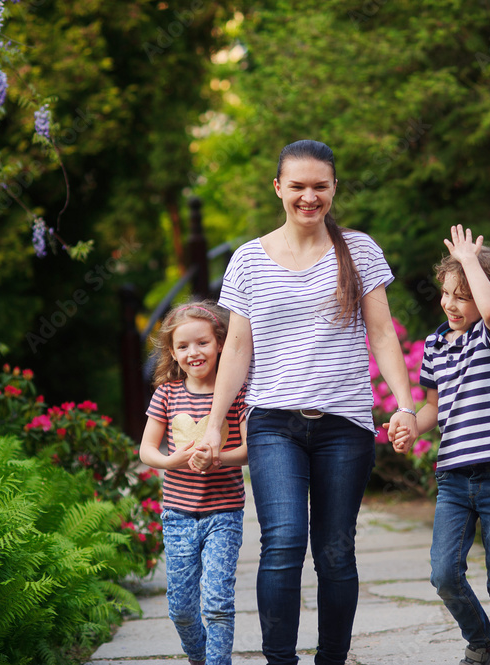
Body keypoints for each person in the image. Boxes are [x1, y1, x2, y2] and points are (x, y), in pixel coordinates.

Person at [196, 139, 418, 665]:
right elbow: (237, 350)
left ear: (334, 188)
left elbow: (383, 334)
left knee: (335, 552)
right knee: (284, 543)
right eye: (297, 186)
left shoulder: (358, 250)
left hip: (346, 425)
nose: (309, 196)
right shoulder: (248, 259)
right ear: (278, 188)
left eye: (320, 186)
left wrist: (405, 406)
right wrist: (212, 425)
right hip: (273, 423)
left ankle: (332, 660)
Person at [394, 225, 490, 665]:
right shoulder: (434, 343)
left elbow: (488, 310)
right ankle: (481, 638)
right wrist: (413, 425)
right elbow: (434, 405)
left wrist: (471, 260)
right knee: (443, 574)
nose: (450, 303)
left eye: (462, 295)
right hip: (453, 477)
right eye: (447, 292)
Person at [139, 300, 249, 665]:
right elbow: (146, 451)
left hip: (224, 514)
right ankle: (199, 657)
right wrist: (173, 461)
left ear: (220, 342)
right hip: (178, 516)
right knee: (181, 610)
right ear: (172, 352)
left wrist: (216, 456)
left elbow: (250, 449)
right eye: (183, 346)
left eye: (202, 343)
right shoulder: (167, 394)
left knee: (217, 602)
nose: (193, 352)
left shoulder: (234, 393)